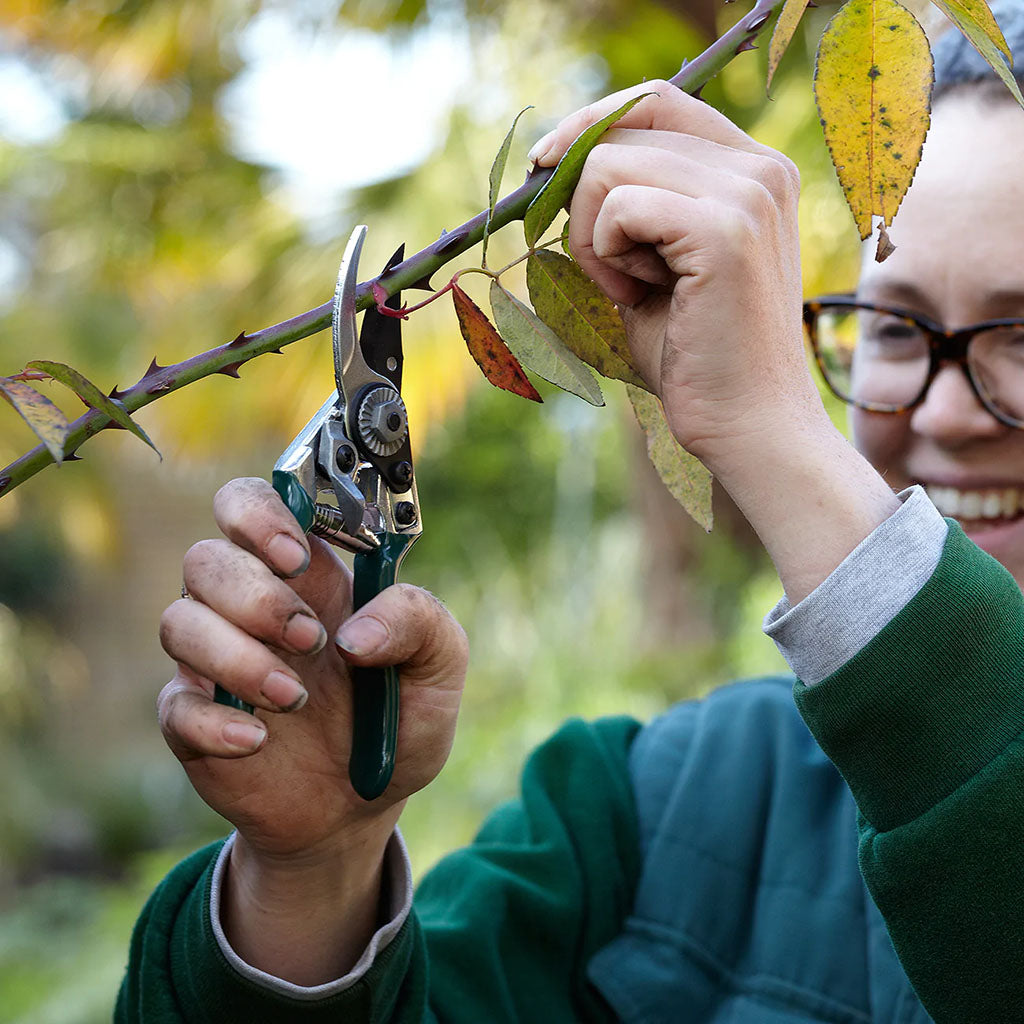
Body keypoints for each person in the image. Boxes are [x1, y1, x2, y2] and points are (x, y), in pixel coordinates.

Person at [117, 10, 1024, 1023]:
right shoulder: (661, 805)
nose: (942, 410)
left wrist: (778, 436)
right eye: (894, 326)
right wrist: (311, 877)